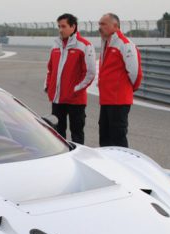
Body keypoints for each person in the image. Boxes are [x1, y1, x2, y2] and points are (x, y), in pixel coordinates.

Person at [44, 13, 96, 145]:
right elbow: (50, 69)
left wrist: (75, 89)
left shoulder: (84, 45)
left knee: (77, 134)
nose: (60, 30)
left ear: (73, 27)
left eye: (64, 26)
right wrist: (48, 85)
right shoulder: (55, 44)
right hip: (57, 99)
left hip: (75, 100)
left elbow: (90, 73)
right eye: (59, 27)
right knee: (57, 135)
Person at [97, 13, 142, 148]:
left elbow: (134, 72)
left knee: (118, 139)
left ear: (115, 26)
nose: (100, 27)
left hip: (118, 100)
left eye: (103, 24)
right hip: (106, 99)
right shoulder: (106, 43)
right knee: (104, 137)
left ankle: (123, 167)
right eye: (99, 24)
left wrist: (125, 90)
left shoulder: (125, 44)